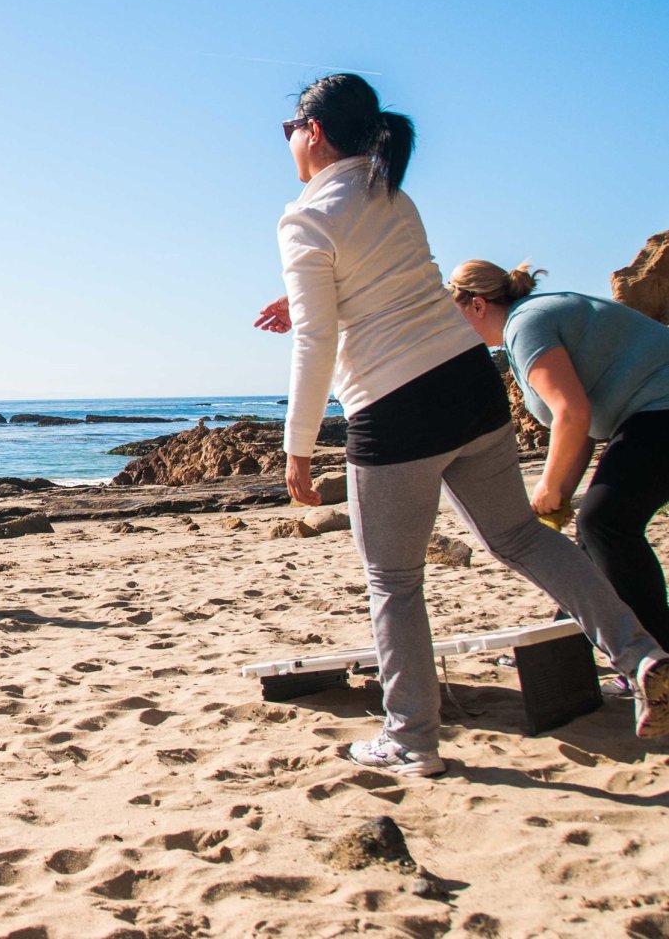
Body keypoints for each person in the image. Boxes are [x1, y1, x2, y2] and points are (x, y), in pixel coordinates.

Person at [257, 74, 668, 775]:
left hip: (395, 409)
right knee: (518, 538)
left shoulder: (303, 217)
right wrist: (306, 297)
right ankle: (642, 656)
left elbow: (316, 342)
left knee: (392, 580)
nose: (286, 144)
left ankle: (411, 739)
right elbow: (381, 283)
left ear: (313, 130)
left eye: (287, 130)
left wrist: (296, 451)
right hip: (469, 387)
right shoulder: (390, 191)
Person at [449, 261, 669, 662]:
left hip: (661, 409)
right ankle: (560, 649)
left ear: (477, 305)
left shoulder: (526, 325)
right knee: (592, 541)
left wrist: (549, 484)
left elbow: (572, 413)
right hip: (646, 417)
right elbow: (581, 429)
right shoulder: (525, 327)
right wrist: (560, 492)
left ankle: (658, 658)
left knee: (605, 523)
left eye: (454, 314)